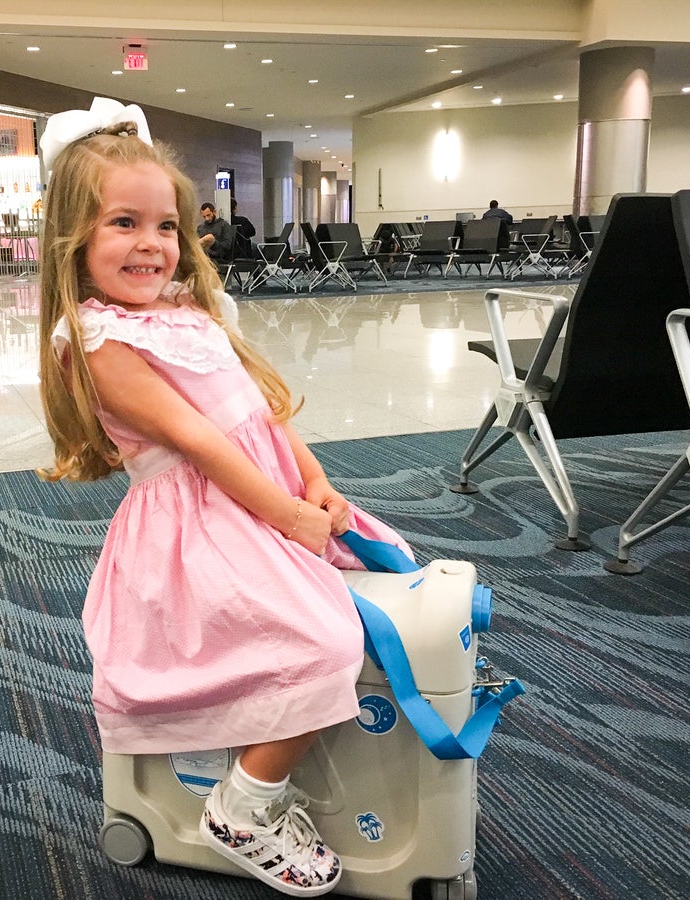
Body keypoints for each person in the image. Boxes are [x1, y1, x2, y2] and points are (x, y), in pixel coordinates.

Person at [36, 97, 412, 898]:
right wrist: (286, 518)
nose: (151, 245)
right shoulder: (100, 342)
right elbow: (202, 445)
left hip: (258, 496)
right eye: (123, 224)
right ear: (74, 239)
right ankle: (246, 806)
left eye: (166, 225)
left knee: (385, 584)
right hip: (198, 522)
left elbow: (254, 415)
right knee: (324, 644)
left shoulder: (186, 312)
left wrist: (313, 481)